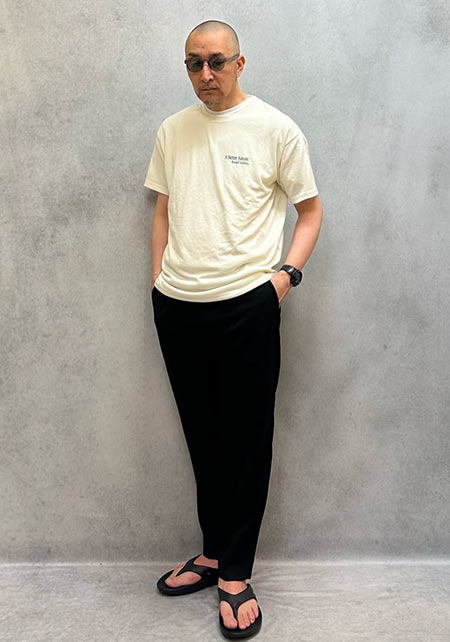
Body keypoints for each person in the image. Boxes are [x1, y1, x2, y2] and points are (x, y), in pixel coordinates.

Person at [143, 19, 323, 639]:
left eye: (216, 61)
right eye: (194, 63)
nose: (206, 74)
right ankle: (215, 552)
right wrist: (157, 281)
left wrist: (284, 278)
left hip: (248, 304)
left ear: (239, 63)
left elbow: (310, 211)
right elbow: (163, 208)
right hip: (178, 305)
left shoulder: (276, 128)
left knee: (246, 440)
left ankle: (237, 572)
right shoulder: (173, 130)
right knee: (204, 437)